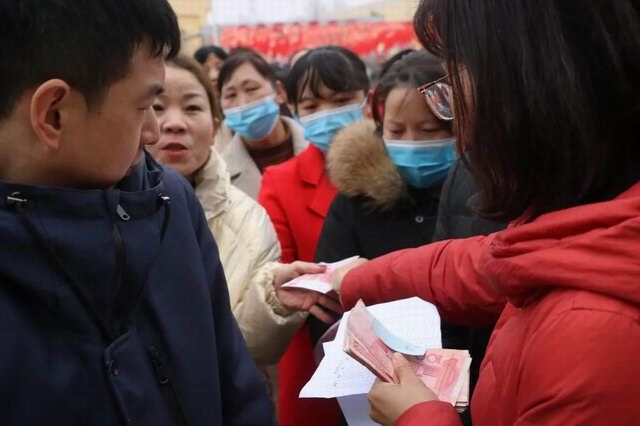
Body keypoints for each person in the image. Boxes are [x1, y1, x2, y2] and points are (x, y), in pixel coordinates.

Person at [333, 0, 640, 425]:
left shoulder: (595, 335)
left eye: (453, 84)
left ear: (531, 89)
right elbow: (480, 266)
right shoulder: (581, 226)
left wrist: (418, 416)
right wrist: (353, 279)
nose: (460, 123)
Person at [0, 1, 274, 424]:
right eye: (145, 107)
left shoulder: (169, 201)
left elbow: (237, 388)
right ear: (54, 114)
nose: (154, 131)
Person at [146, 54, 311, 371]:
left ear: (215, 125)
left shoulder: (250, 220)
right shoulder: (97, 205)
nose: (174, 123)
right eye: (156, 106)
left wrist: (272, 300)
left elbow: (249, 350)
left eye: (192, 108)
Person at [313, 51, 466, 349]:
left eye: (429, 130)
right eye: (396, 130)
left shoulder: (487, 196)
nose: (411, 142)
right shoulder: (356, 202)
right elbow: (328, 308)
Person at [258, 45, 370, 426]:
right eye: (311, 105)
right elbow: (280, 268)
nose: (327, 113)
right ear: (293, 110)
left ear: (367, 99)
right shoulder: (280, 181)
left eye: (341, 101)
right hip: (316, 346)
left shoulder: (397, 168)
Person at [218, 50, 307, 199]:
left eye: (251, 89)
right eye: (231, 95)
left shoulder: (320, 148)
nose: (242, 103)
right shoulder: (218, 174)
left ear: (279, 92)